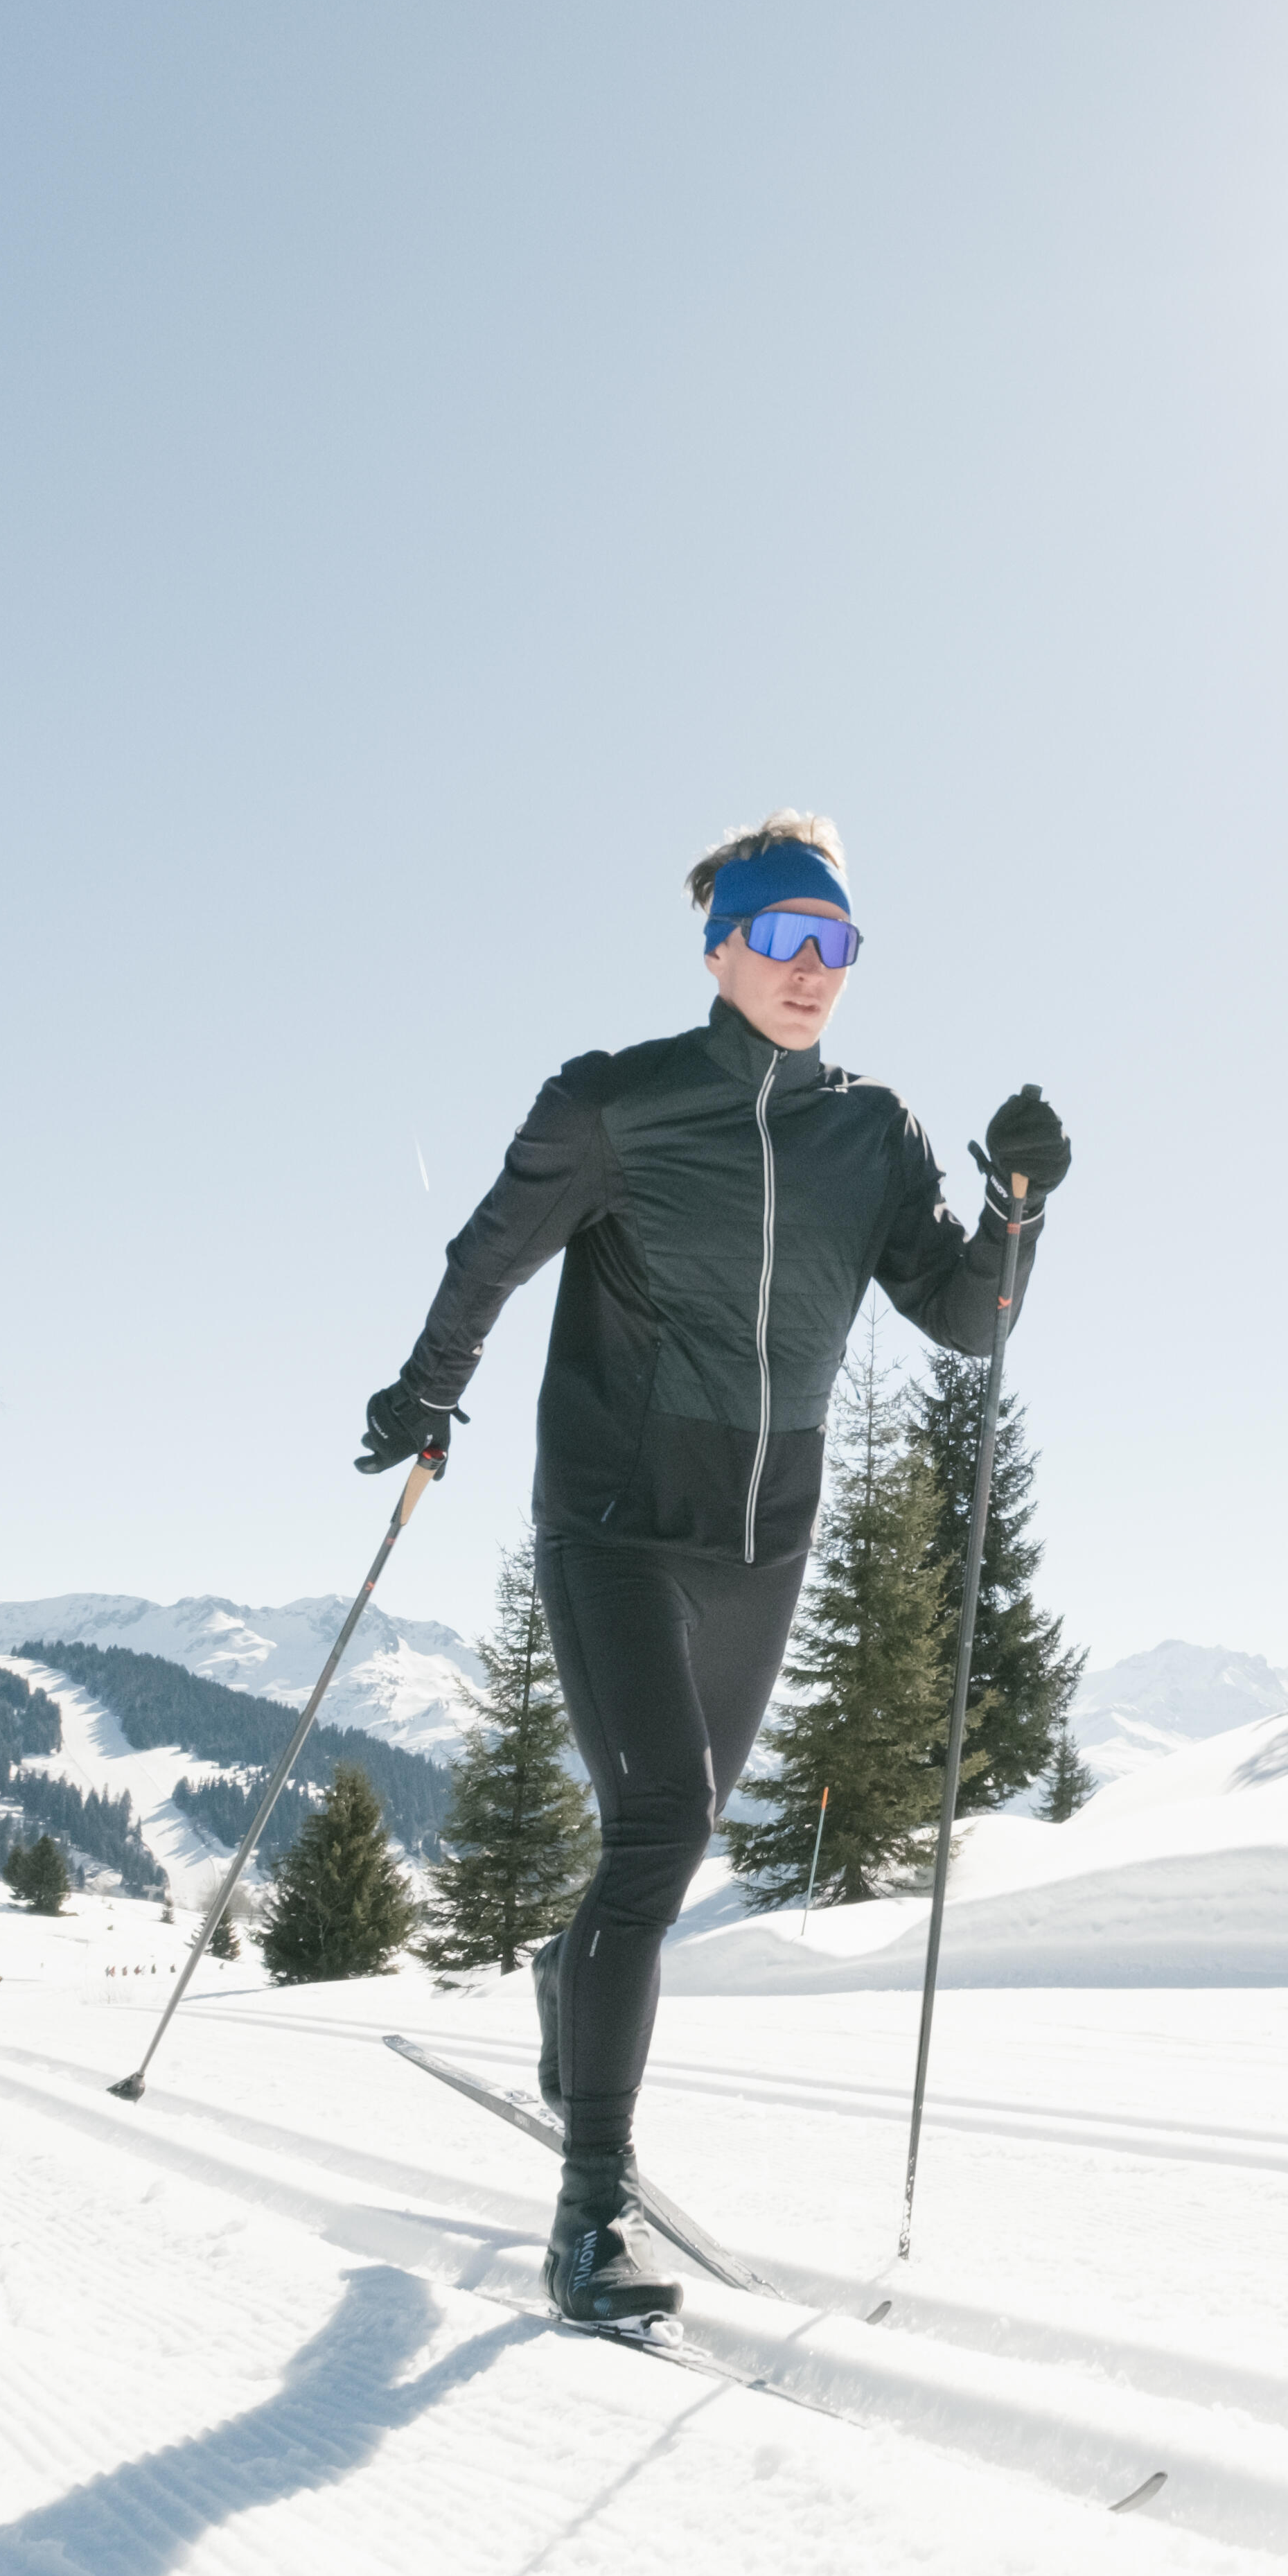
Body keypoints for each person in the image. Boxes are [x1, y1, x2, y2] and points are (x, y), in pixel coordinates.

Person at [358, 812, 1064, 2329]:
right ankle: (590, 2205)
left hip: (764, 1532)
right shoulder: (617, 1102)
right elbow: (490, 1253)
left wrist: (1018, 1206)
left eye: (841, 944)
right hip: (615, 1508)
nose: (816, 971)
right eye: (787, 937)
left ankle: (571, 1971)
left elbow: (968, 1320)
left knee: (659, 1854)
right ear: (722, 946)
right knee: (664, 1815)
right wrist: (425, 1392)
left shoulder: (870, 1133)